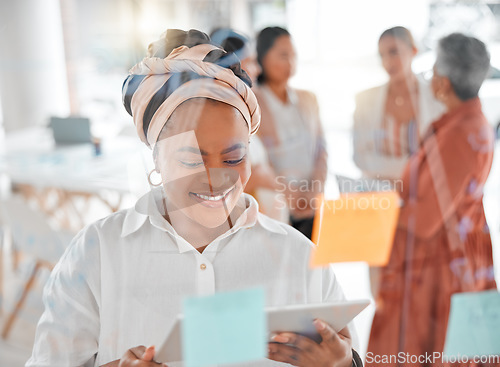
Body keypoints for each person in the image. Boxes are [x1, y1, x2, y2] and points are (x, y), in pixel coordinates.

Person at [25, 29, 360, 367]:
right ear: (156, 159)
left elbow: (345, 352)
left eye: (233, 159)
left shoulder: (299, 256)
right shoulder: (97, 254)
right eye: (189, 159)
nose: (216, 179)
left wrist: (344, 364)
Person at [367, 33, 497, 366]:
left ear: (443, 81)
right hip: (439, 263)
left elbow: (425, 219)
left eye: (435, 67)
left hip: (440, 270)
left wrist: (377, 210)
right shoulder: (460, 124)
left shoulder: (461, 132)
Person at [254, 26, 328, 239]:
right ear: (262, 57)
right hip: (274, 208)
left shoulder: (308, 99)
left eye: (293, 55)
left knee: (312, 266)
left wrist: (315, 191)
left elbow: (321, 151)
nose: (291, 63)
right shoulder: (252, 102)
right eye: (283, 55)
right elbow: (257, 161)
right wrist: (290, 195)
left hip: (311, 204)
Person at [210, 28, 287, 221]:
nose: (258, 69)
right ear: (230, 67)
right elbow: (221, 180)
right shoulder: (217, 119)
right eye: (251, 62)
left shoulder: (240, 111)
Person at [353, 26, 444, 183]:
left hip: (423, 195)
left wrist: (386, 167)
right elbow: (360, 158)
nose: (387, 62)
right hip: (379, 198)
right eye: (382, 55)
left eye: (394, 52)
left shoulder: (435, 98)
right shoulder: (365, 99)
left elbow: (441, 155)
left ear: (413, 51)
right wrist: (415, 165)